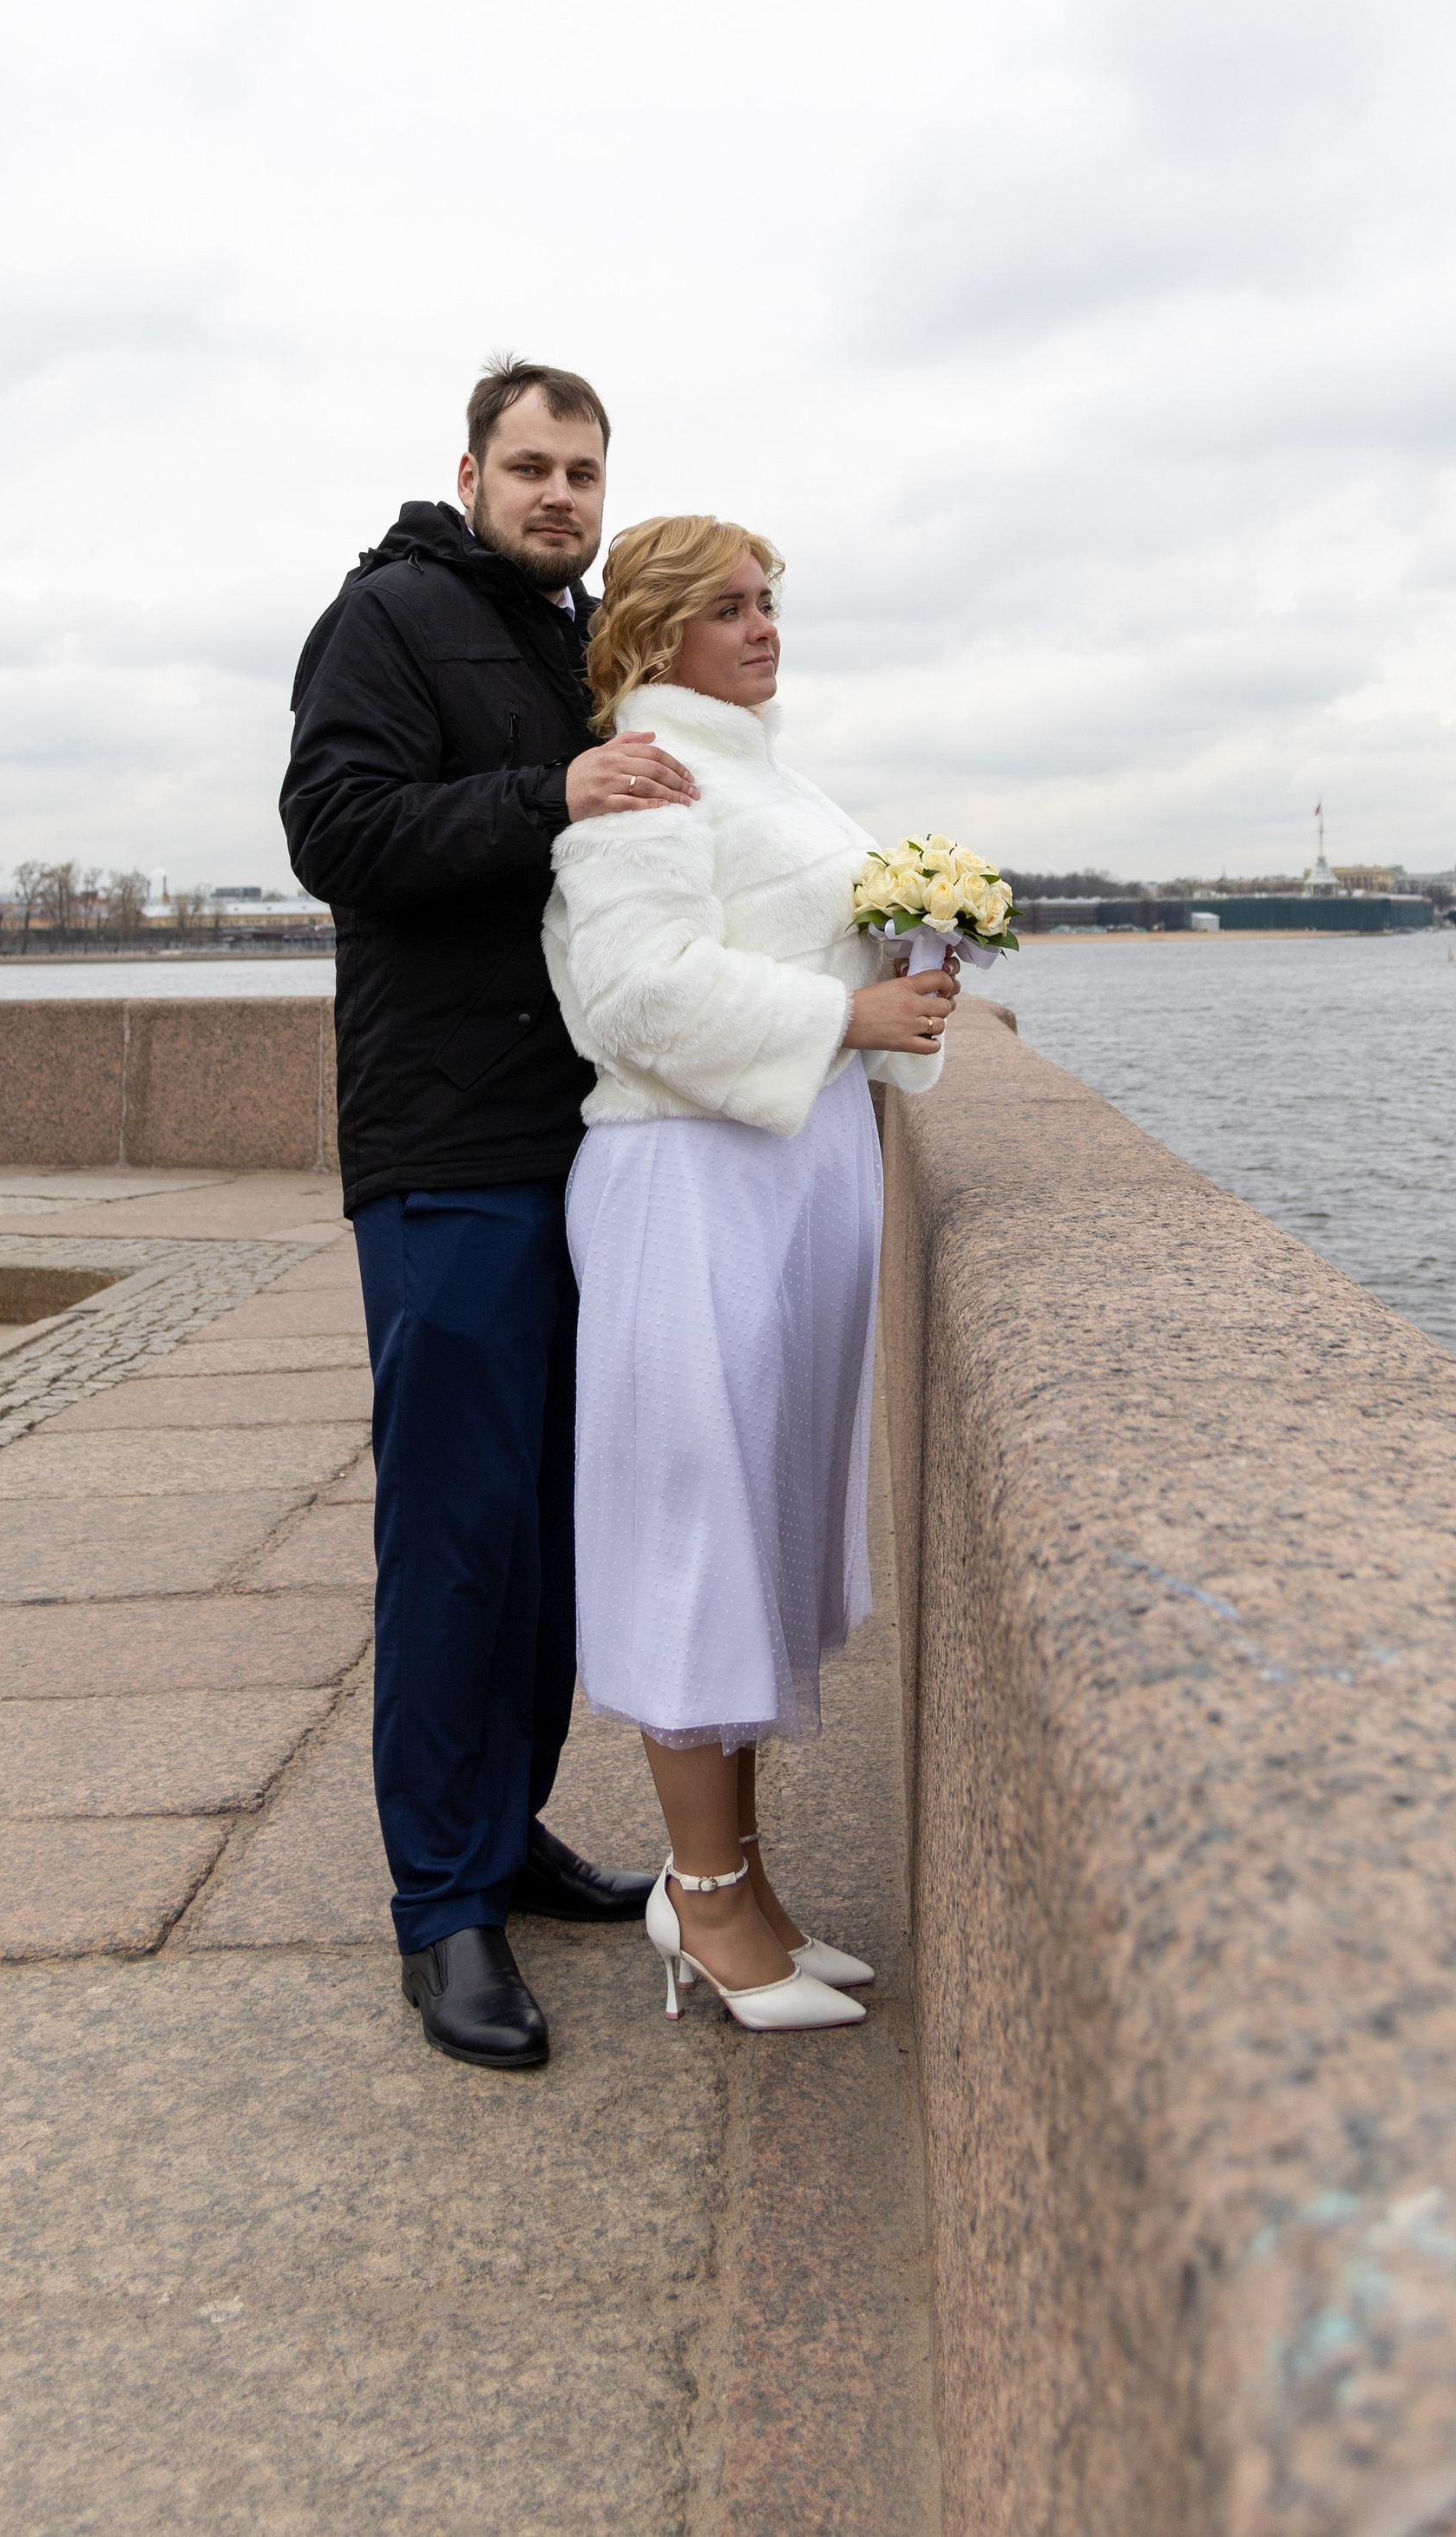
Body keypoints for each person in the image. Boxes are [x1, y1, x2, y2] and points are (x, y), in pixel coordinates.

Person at [280, 357, 698, 2074]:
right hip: (444, 1142)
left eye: (584, 470)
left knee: (541, 1526)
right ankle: (439, 1907)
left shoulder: (580, 639)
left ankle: (504, 1830)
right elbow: (336, 827)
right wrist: (553, 792)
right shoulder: (381, 616)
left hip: (576, 1137)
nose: (560, 495)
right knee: (453, 1530)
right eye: (531, 465)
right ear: (469, 470)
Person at [542, 514, 958, 2032]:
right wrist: (845, 1025)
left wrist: (903, 976)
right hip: (690, 1188)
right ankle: (704, 1905)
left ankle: (740, 1881)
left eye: (771, 601)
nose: (764, 627)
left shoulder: (770, 771)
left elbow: (798, 954)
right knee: (696, 1534)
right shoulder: (654, 777)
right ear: (656, 637)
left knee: (760, 1528)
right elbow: (635, 993)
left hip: (784, 1184)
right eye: (728, 607)